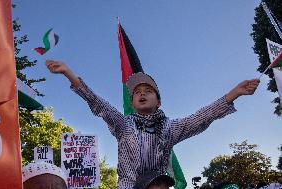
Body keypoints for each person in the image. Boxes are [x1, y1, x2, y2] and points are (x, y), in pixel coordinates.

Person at [46, 60, 260, 189]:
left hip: (158, 185)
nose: (141, 94)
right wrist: (68, 72)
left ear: (158, 102)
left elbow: (201, 117)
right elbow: (96, 101)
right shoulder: (123, 124)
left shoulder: (170, 127)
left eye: (148, 91)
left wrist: (234, 94)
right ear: (132, 103)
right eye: (137, 93)